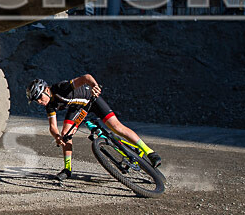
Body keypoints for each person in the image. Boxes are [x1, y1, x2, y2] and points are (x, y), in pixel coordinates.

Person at [26, 75, 161, 181]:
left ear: (46, 90)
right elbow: (52, 126)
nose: (39, 102)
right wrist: (57, 137)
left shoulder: (62, 87)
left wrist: (95, 87)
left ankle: (150, 152)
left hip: (93, 100)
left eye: (38, 97)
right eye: (35, 100)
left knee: (116, 127)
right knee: (65, 134)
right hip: (78, 108)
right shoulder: (50, 105)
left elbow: (86, 78)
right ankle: (67, 169)